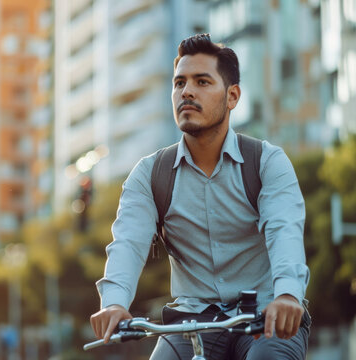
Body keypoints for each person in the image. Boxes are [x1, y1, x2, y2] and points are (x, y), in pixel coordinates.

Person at [90, 33, 310, 359]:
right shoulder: (150, 175)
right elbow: (127, 244)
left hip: (266, 315)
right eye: (179, 83)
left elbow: (285, 231)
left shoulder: (266, 162)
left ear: (232, 96)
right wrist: (114, 305)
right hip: (192, 322)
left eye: (202, 82)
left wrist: (289, 296)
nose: (187, 91)